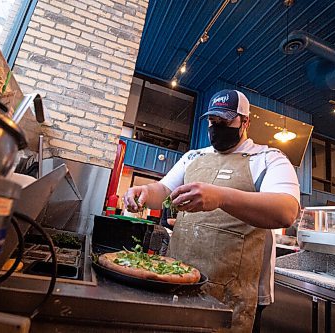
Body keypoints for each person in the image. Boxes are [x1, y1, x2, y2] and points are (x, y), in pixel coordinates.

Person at [123, 89, 300, 333]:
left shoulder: (269, 158)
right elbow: (163, 189)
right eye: (212, 121)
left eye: (224, 121)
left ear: (245, 121)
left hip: (233, 293)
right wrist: (143, 191)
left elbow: (286, 211)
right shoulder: (193, 157)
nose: (216, 126)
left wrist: (221, 197)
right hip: (178, 278)